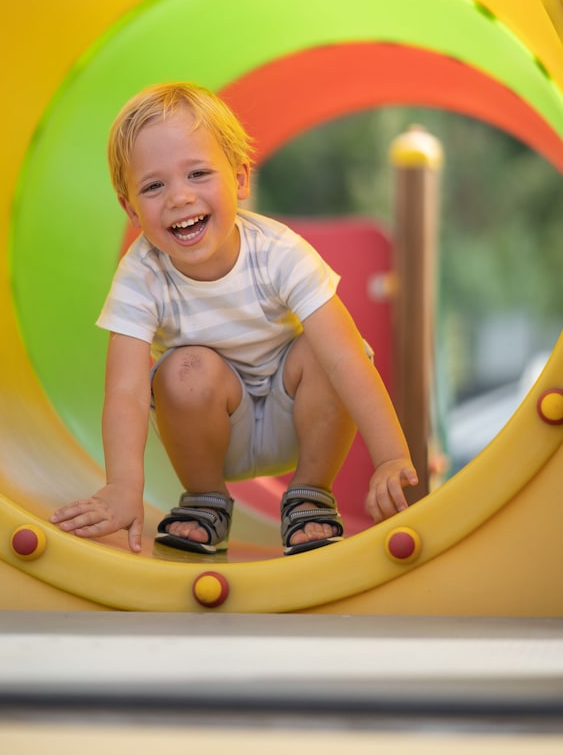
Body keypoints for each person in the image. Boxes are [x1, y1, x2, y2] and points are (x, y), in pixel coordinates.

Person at [51, 82, 418, 555]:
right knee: (184, 367)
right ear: (131, 209)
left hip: (298, 415)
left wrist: (390, 456)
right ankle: (206, 500)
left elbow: (347, 360)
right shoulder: (141, 274)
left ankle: (309, 495)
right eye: (154, 186)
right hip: (210, 430)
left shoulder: (280, 253)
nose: (180, 198)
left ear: (240, 180)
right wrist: (123, 485)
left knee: (326, 348)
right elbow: (124, 390)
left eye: (198, 174)